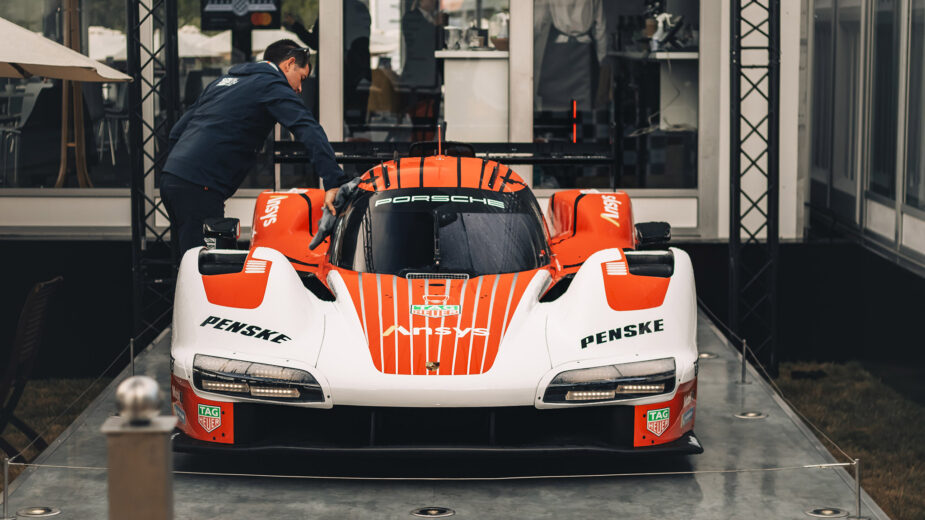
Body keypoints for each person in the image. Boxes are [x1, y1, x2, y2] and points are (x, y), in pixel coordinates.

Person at [160, 39, 348, 262]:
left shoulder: (224, 81)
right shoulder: (270, 83)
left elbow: (176, 132)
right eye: (302, 78)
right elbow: (307, 127)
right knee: (204, 272)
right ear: (288, 64)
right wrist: (333, 181)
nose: (299, 89)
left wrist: (180, 169)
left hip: (172, 180)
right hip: (199, 187)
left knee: (187, 263)